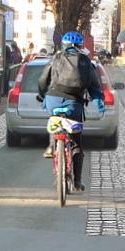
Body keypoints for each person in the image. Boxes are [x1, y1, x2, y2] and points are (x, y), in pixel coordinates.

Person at [37, 31, 103, 192]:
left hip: (53, 99)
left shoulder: (55, 59)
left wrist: (42, 95)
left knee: (55, 120)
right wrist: (98, 100)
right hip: (74, 103)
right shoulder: (86, 62)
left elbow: (42, 80)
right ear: (81, 46)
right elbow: (94, 85)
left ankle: (52, 146)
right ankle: (78, 182)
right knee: (76, 142)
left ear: (64, 45)